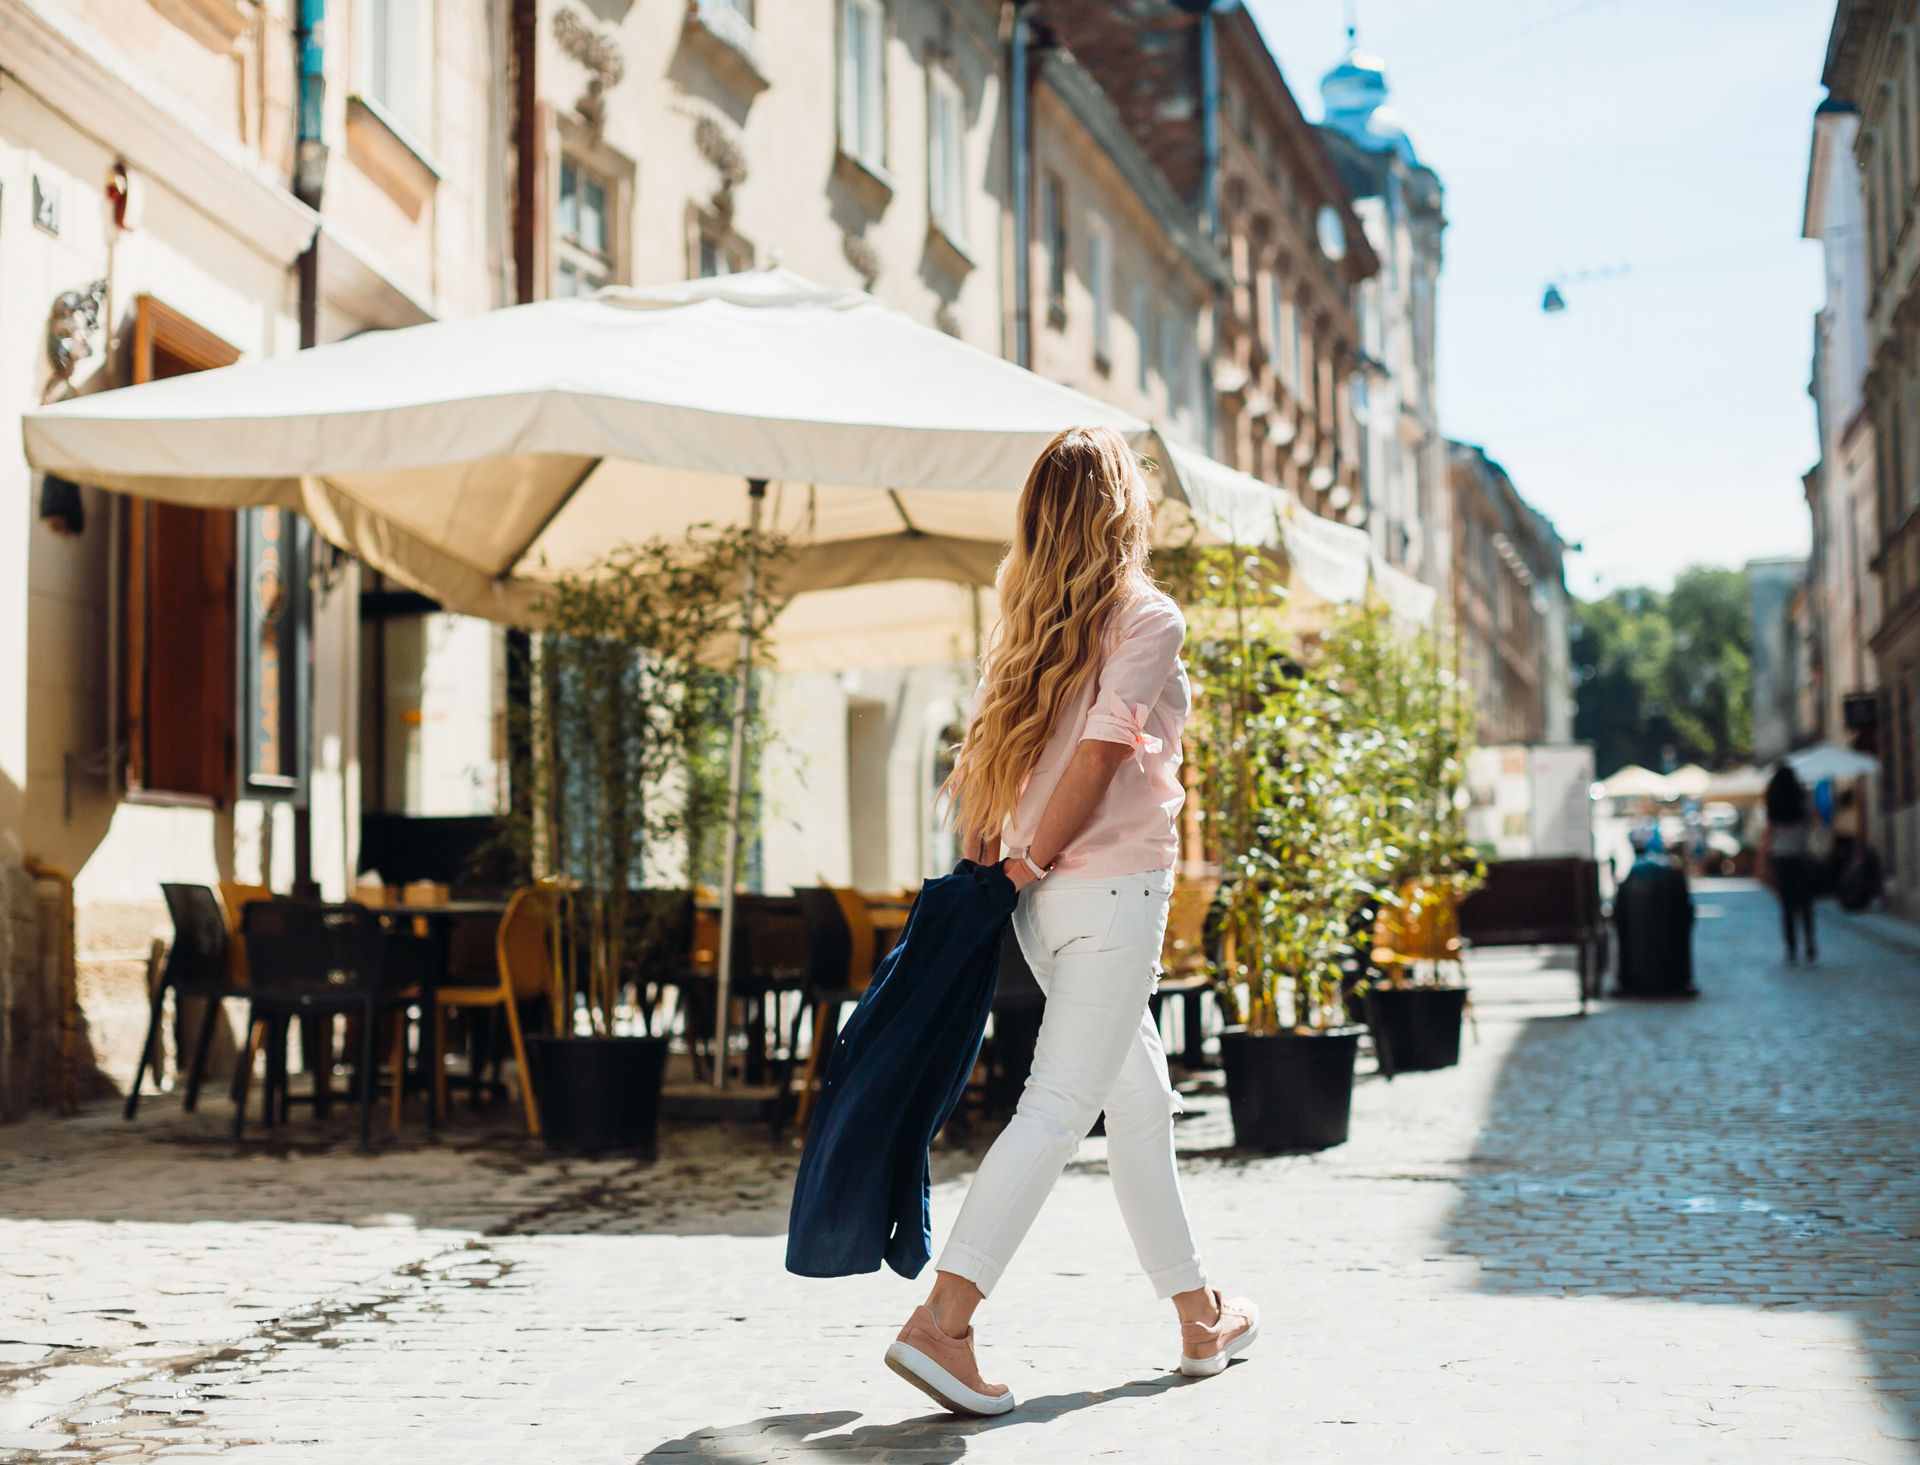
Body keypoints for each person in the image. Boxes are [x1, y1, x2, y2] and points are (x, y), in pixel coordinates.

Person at [881, 427, 1258, 1418]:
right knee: (1055, 1108)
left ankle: (1199, 1313)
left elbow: (980, 769)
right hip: (1109, 889)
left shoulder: (1026, 626)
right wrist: (1029, 857)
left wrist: (995, 870)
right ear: (1122, 511)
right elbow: (1097, 759)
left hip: (1045, 905)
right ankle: (943, 1321)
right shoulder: (1146, 617)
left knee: (1138, 1102)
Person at [1765, 762, 1816, 963]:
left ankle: (1791, 947)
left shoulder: (1773, 804)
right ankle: (1809, 939)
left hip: (1781, 859)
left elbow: (1768, 835)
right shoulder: (1802, 800)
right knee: (1806, 903)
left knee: (1786, 906)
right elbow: (1813, 822)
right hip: (1801, 856)